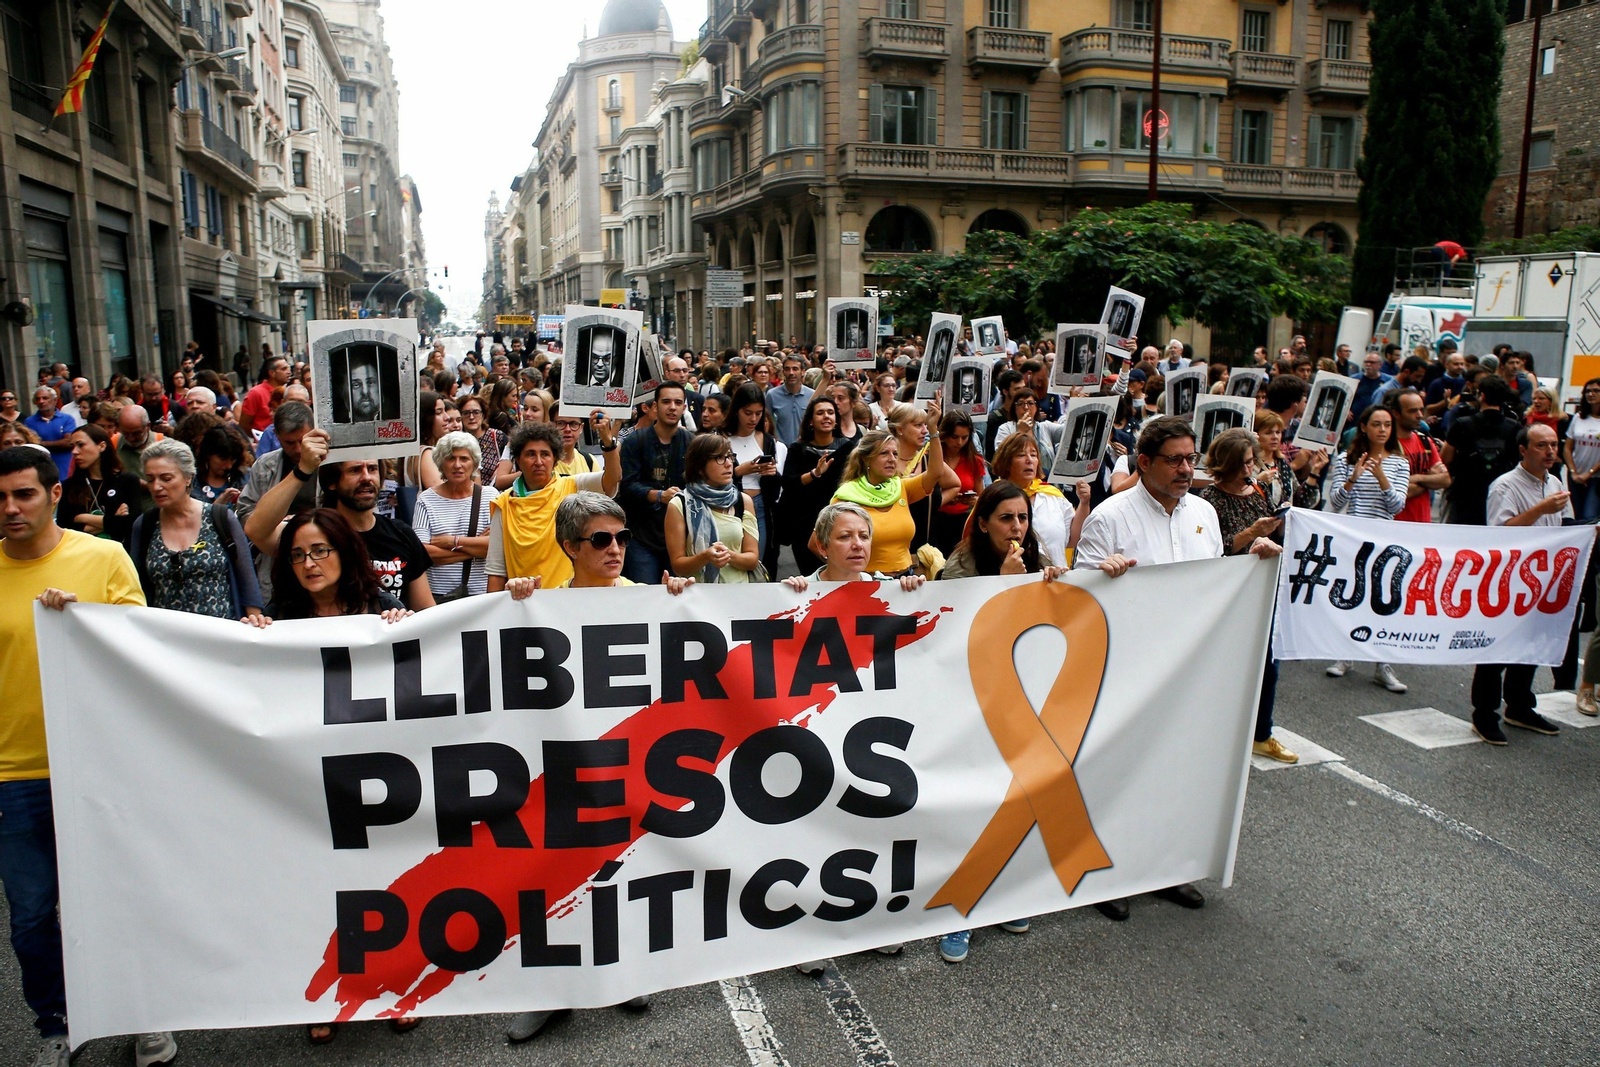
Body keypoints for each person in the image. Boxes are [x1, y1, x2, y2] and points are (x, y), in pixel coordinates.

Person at [0, 445, 178, 1067]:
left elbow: (137, 646)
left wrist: (85, 621)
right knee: (30, 917)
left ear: (55, 495)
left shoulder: (103, 557)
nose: (11, 508)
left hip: (96, 763)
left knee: (120, 899)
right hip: (13, 774)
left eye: (24, 494)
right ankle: (56, 1025)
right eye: (1, 497)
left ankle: (143, 1014)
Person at [1073, 416, 1280, 923]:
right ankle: (1105, 875)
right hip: (1126, 671)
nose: (1187, 469)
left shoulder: (1204, 513)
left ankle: (1164, 869)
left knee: (1174, 772)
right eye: (1175, 460)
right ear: (1144, 462)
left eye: (1191, 458)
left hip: (1190, 672)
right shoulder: (1110, 517)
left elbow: (1215, 581)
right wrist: (1102, 575)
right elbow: (1077, 597)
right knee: (1118, 773)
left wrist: (1251, 559)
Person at [1198, 428, 1295, 763]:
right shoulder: (1209, 500)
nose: (1248, 469)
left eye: (1251, 461)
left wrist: (1278, 526)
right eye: (1242, 463)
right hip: (1229, 594)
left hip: (1262, 588)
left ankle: (1261, 733)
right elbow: (1216, 548)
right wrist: (1253, 533)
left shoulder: (1258, 490)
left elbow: (1276, 534)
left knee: (1268, 664)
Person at [1475, 425, 1573, 741]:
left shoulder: (1555, 482)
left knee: (1530, 645)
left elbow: (1565, 525)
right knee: (1497, 649)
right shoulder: (1505, 486)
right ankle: (1484, 714)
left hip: (1542, 577)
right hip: (1509, 579)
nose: (1550, 451)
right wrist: (1540, 509)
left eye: (1554, 445)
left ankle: (1519, 706)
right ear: (1523, 450)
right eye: (1541, 445)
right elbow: (1500, 534)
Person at [126, 439, 264, 624]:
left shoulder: (220, 517)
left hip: (221, 633)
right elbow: (136, 587)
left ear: (188, 477)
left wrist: (254, 620)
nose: (157, 487)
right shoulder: (145, 525)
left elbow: (247, 580)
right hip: (164, 635)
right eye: (150, 479)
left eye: (166, 478)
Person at [1323, 405, 1411, 693]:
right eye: (1376, 424)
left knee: (1384, 601)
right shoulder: (1346, 459)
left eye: (1387, 424)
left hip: (1386, 539)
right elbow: (1336, 501)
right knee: (1352, 597)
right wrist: (1353, 478)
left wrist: (1382, 476)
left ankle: (1382, 665)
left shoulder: (1400, 463)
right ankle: (1345, 655)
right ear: (1364, 427)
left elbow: (1397, 506)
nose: (1382, 430)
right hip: (1354, 539)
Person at [488, 417, 620, 591]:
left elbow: (612, 478)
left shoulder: (572, 486)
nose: (538, 462)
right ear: (518, 460)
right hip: (526, 601)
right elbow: (496, 571)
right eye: (530, 454)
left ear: (555, 460)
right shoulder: (504, 503)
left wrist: (608, 442)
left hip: (568, 598)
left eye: (545, 454)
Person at [830, 398, 950, 576]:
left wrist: (933, 430)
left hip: (906, 579)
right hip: (867, 582)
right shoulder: (847, 496)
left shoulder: (901, 487)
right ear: (866, 459)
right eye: (884, 453)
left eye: (895, 454)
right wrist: (846, 573)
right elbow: (818, 543)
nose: (892, 459)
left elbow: (936, 473)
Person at [413, 431, 499, 600]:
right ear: (441, 463)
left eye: (464, 459)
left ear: (474, 463)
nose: (457, 465)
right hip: (438, 594)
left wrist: (451, 541)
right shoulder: (426, 499)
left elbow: (497, 546)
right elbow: (423, 553)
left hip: (480, 594)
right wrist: (476, 548)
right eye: (451, 458)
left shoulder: (490, 496)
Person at [666, 434, 760, 583]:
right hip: (699, 593)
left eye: (730, 457)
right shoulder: (679, 504)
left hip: (739, 592)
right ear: (700, 467)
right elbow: (678, 566)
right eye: (719, 458)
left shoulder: (742, 501)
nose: (728, 464)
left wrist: (728, 555)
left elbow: (752, 559)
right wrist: (705, 557)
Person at [782, 502, 926, 592]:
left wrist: (914, 593)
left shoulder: (887, 588)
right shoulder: (802, 589)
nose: (858, 545)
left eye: (864, 536)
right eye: (845, 536)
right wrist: (786, 595)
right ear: (823, 547)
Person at [990, 433, 1084, 569]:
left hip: (1057, 578)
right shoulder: (993, 497)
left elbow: (1073, 539)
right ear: (1006, 462)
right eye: (1021, 455)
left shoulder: (1052, 495)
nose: (1029, 460)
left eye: (1033, 455)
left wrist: (1084, 502)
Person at [780, 393, 851, 574]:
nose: (826, 416)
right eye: (820, 413)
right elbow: (789, 483)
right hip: (805, 523)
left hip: (839, 519)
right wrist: (815, 474)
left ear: (836, 419)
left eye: (830, 412)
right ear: (810, 421)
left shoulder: (849, 448)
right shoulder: (798, 448)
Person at [1442, 375, 1522, 526]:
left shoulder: (1462, 424)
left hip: (1465, 493)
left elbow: (1446, 457)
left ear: (1482, 396)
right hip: (1502, 494)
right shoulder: (1514, 427)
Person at [721, 383, 785, 571]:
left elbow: (776, 490)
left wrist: (772, 474)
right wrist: (739, 471)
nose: (753, 419)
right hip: (728, 505)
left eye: (758, 413)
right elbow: (710, 475)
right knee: (729, 560)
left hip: (760, 505)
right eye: (748, 413)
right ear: (736, 410)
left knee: (757, 562)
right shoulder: (722, 438)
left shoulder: (767, 440)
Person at [57, 425, 140, 544]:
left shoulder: (127, 481)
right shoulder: (69, 486)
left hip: (118, 550)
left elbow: (131, 523)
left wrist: (83, 518)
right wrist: (113, 519)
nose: (74, 451)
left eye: (81, 445)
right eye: (73, 446)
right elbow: (65, 528)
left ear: (102, 446)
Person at [1388, 389, 1449, 523]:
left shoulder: (1425, 441)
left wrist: (1417, 478)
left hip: (1422, 523)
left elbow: (1445, 480)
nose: (1420, 415)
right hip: (1395, 523)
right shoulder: (1386, 445)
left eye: (1421, 410)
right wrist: (1429, 479)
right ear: (1396, 413)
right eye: (1412, 411)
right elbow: (1395, 492)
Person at [932, 410, 986, 556]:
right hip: (936, 520)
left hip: (964, 520)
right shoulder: (932, 457)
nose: (959, 442)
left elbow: (982, 497)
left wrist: (974, 500)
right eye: (954, 437)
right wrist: (946, 497)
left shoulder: (974, 460)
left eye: (964, 437)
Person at [1253, 410, 1322, 511]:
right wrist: (1257, 483)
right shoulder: (1248, 464)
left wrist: (1315, 470)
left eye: (1278, 432)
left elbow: (1301, 501)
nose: (1275, 437)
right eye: (1268, 433)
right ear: (1256, 435)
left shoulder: (1282, 463)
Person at [1563, 379, 1600, 522]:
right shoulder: (1578, 418)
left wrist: (1589, 473)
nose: (1591, 394)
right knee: (1578, 516)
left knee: (1589, 516)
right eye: (1588, 391)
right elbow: (1567, 448)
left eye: (1596, 391)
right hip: (1575, 476)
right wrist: (1573, 472)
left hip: (1596, 477)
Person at [24, 386, 76, 482]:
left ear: (55, 400)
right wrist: (59, 442)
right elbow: (32, 445)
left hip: (65, 468)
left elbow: (69, 442)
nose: (41, 401)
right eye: (38, 399)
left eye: (45, 398)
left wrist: (42, 443)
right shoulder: (29, 422)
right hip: (42, 469)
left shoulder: (67, 419)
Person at [192, 425, 247, 509]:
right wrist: (215, 507)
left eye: (233, 459)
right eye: (223, 459)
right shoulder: (191, 482)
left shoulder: (246, 478)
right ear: (208, 454)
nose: (229, 466)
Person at [458, 393, 506, 486]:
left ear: (483, 415)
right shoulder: (457, 441)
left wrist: (502, 470)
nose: (471, 417)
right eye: (466, 413)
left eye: (476, 412)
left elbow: (513, 462)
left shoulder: (497, 436)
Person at [766, 354, 814, 445]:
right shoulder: (772, 395)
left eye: (795, 369)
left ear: (803, 372)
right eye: (787, 369)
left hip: (805, 447)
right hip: (781, 448)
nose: (791, 373)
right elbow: (767, 423)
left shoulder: (811, 395)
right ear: (783, 372)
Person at [241, 356, 292, 434]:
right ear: (272, 373)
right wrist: (262, 438)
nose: (289, 372)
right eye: (283, 369)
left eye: (288, 368)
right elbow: (244, 424)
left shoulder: (288, 391)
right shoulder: (256, 393)